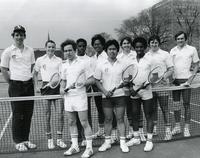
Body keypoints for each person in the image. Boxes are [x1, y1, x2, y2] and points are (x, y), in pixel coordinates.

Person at [0, 25, 36, 151]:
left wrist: (28, 79)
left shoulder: (30, 50)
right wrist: (11, 81)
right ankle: (18, 141)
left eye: (21, 35)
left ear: (24, 36)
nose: (19, 37)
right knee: (17, 114)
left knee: (28, 114)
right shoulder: (8, 51)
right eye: (17, 35)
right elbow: (3, 68)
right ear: (13, 36)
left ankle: (26, 139)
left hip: (29, 86)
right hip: (16, 86)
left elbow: (32, 66)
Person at [60, 39, 94, 158]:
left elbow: (92, 79)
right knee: (71, 122)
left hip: (80, 97)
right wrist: (62, 88)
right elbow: (63, 81)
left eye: (70, 50)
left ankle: (89, 148)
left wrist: (83, 83)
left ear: (74, 50)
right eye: (65, 51)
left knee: (84, 122)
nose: (68, 52)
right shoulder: (63, 66)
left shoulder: (83, 63)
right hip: (68, 98)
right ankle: (75, 146)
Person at [94, 39, 129, 153]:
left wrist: (125, 82)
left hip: (120, 96)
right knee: (108, 119)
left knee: (120, 119)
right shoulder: (100, 64)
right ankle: (107, 142)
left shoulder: (122, 64)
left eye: (114, 49)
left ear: (117, 51)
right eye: (110, 49)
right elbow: (97, 80)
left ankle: (123, 142)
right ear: (106, 51)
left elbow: (126, 79)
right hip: (107, 97)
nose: (112, 51)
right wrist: (104, 91)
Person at [34, 40, 66, 149]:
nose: (51, 49)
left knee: (60, 115)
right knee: (47, 115)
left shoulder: (59, 60)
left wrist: (61, 86)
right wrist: (37, 86)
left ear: (55, 48)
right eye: (49, 47)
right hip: (45, 88)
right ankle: (50, 140)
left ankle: (59, 139)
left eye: (53, 47)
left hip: (57, 88)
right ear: (45, 48)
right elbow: (35, 74)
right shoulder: (40, 60)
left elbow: (62, 76)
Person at [126, 37, 154, 152]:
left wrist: (148, 82)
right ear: (134, 48)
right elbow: (128, 77)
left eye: (141, 47)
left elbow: (155, 76)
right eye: (137, 47)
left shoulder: (150, 59)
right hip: (134, 92)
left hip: (146, 91)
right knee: (135, 114)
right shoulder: (131, 61)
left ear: (145, 47)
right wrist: (131, 88)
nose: (139, 49)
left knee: (148, 115)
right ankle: (136, 137)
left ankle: (149, 140)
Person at [170, 31, 199, 137]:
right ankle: (177, 127)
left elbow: (196, 65)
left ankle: (186, 128)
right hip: (175, 82)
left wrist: (190, 80)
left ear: (185, 39)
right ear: (176, 40)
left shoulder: (192, 49)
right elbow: (170, 67)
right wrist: (170, 79)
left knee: (186, 104)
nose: (180, 40)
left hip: (186, 81)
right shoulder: (172, 51)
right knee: (176, 105)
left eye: (182, 38)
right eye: (178, 39)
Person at [146, 35, 174, 140]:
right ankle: (154, 129)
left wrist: (164, 77)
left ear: (159, 43)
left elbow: (171, 69)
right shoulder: (146, 55)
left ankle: (168, 131)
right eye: (152, 42)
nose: (154, 44)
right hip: (151, 87)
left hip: (162, 86)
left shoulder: (165, 54)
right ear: (149, 44)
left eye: (156, 42)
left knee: (165, 108)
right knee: (152, 109)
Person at [117, 37, 146, 141]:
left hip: (135, 86)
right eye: (124, 43)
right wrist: (124, 82)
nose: (126, 45)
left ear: (130, 44)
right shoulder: (118, 57)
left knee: (138, 110)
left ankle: (141, 132)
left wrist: (133, 83)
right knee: (129, 109)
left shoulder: (135, 54)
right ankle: (131, 130)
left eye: (128, 43)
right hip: (125, 87)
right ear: (121, 45)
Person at [91, 34, 118, 143]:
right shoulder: (93, 57)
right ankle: (101, 130)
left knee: (110, 111)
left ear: (103, 45)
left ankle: (115, 133)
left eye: (99, 44)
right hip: (96, 86)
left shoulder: (106, 56)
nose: (97, 46)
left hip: (106, 87)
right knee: (99, 109)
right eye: (95, 44)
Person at [75, 38, 93, 146]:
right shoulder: (73, 58)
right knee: (76, 116)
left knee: (87, 115)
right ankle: (78, 138)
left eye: (83, 46)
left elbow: (91, 76)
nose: (81, 48)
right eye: (79, 46)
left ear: (85, 47)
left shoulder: (89, 60)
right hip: (74, 93)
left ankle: (87, 138)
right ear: (77, 47)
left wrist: (85, 85)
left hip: (86, 91)